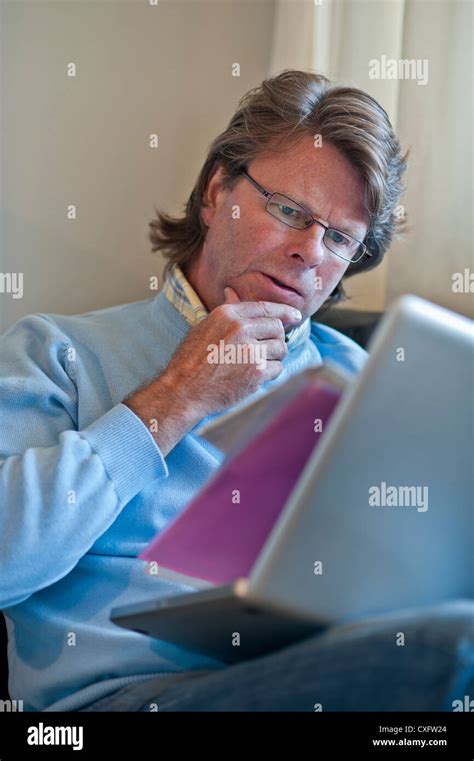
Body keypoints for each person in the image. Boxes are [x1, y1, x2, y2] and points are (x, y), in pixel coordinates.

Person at [0, 70, 472, 713]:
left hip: (314, 671)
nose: (310, 252)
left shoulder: (365, 381)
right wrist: (176, 397)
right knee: (454, 649)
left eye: (339, 238)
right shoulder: (57, 352)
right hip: (119, 699)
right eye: (289, 211)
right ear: (217, 190)